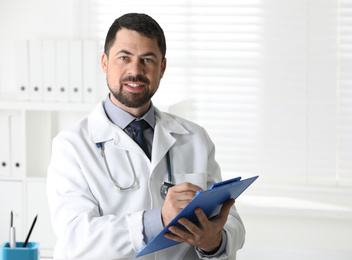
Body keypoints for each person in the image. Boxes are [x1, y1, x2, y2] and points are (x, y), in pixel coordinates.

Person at [47, 13, 245, 260]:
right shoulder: (71, 146)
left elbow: (230, 222)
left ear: (162, 68)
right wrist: (157, 220)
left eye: (147, 59)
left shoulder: (194, 137)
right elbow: (74, 239)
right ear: (105, 62)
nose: (135, 70)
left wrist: (214, 242)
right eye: (124, 57)